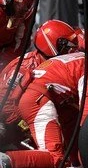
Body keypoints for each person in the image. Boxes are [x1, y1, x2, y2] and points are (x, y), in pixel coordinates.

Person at [0, 28, 88, 168]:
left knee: (68, 140)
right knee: (55, 159)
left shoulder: (76, 60)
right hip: (37, 101)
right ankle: (3, 161)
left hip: (40, 99)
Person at [0, 20, 78, 151]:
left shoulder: (56, 65)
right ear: (54, 44)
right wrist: (25, 126)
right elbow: (5, 104)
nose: (71, 51)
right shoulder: (25, 68)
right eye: (67, 46)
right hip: (14, 128)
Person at [0, 0, 38, 70]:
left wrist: (8, 66)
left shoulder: (26, 13)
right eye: (23, 2)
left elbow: (20, 43)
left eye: (30, 3)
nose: (26, 8)